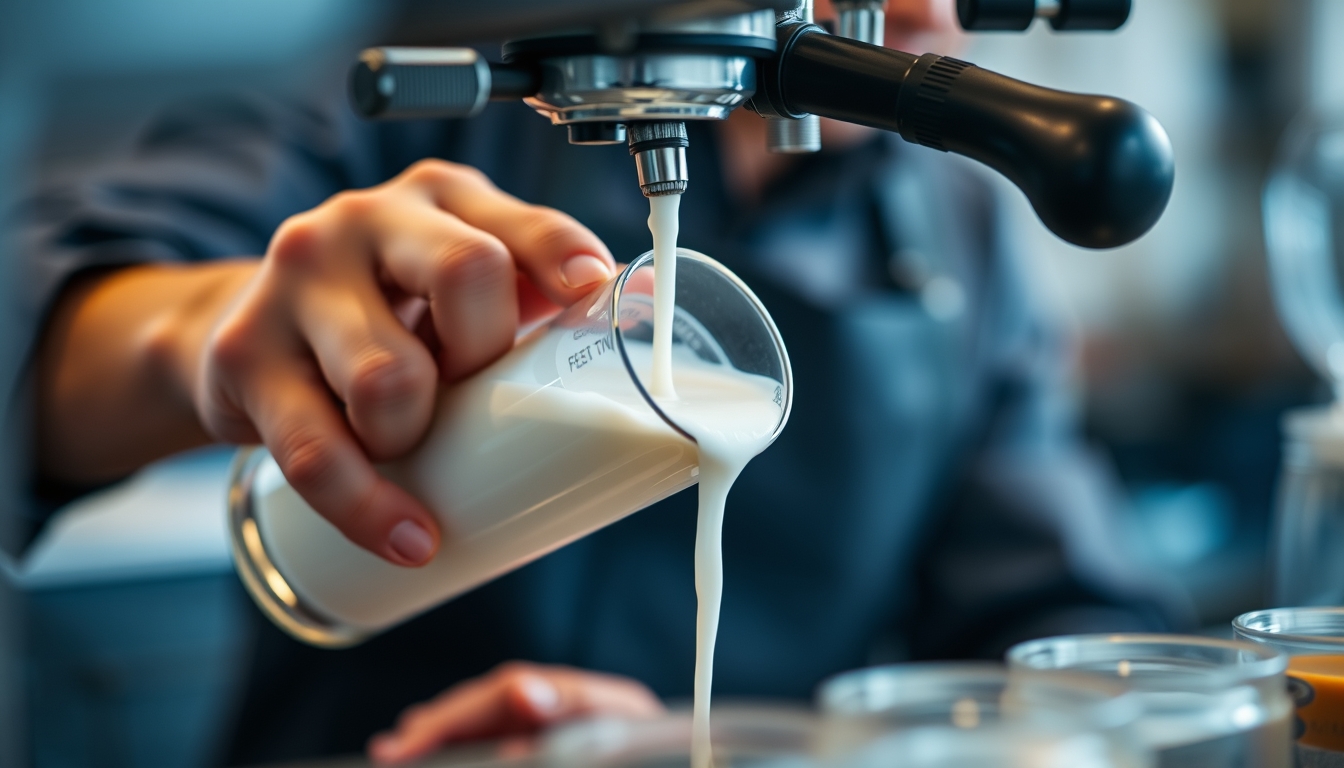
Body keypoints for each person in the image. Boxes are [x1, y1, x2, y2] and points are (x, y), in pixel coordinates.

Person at [12, 0, 1189, 763]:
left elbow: (1071, 627)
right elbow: (37, 308)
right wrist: (202, 334)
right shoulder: (457, 104)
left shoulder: (962, 239)